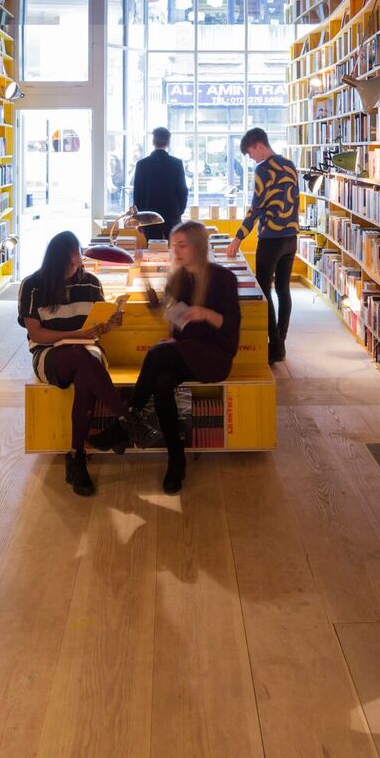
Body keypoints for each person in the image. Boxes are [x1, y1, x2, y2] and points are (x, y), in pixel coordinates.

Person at [127, 221, 239, 493]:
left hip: (215, 356)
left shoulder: (223, 278)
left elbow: (232, 330)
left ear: (198, 247)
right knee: (162, 382)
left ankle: (127, 418)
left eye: (181, 245)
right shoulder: (177, 278)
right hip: (186, 352)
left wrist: (206, 314)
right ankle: (175, 461)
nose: (175, 251)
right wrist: (174, 339)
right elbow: (174, 317)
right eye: (172, 245)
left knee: (156, 354)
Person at [18, 231, 131, 497]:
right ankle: (126, 418)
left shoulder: (90, 283)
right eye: (70, 263)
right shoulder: (33, 285)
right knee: (80, 356)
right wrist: (74, 337)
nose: (76, 266)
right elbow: (36, 334)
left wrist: (110, 324)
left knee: (85, 371)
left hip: (88, 351)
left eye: (77, 261)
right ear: (56, 261)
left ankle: (76, 456)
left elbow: (97, 328)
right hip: (50, 355)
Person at [227, 126, 299, 364]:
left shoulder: (263, 170)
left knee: (263, 291)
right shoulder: (290, 165)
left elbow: (256, 208)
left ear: (258, 145)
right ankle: (281, 343)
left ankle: (275, 346)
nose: (251, 158)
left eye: (250, 153)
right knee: (283, 289)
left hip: (270, 239)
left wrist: (238, 237)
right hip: (290, 237)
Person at [132, 127, 188, 239]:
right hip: (172, 215)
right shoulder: (176, 164)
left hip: (148, 217)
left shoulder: (142, 164)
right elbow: (183, 192)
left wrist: (139, 219)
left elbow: (137, 194)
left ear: (153, 142)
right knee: (174, 252)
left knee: (153, 252)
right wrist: (178, 213)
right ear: (168, 142)